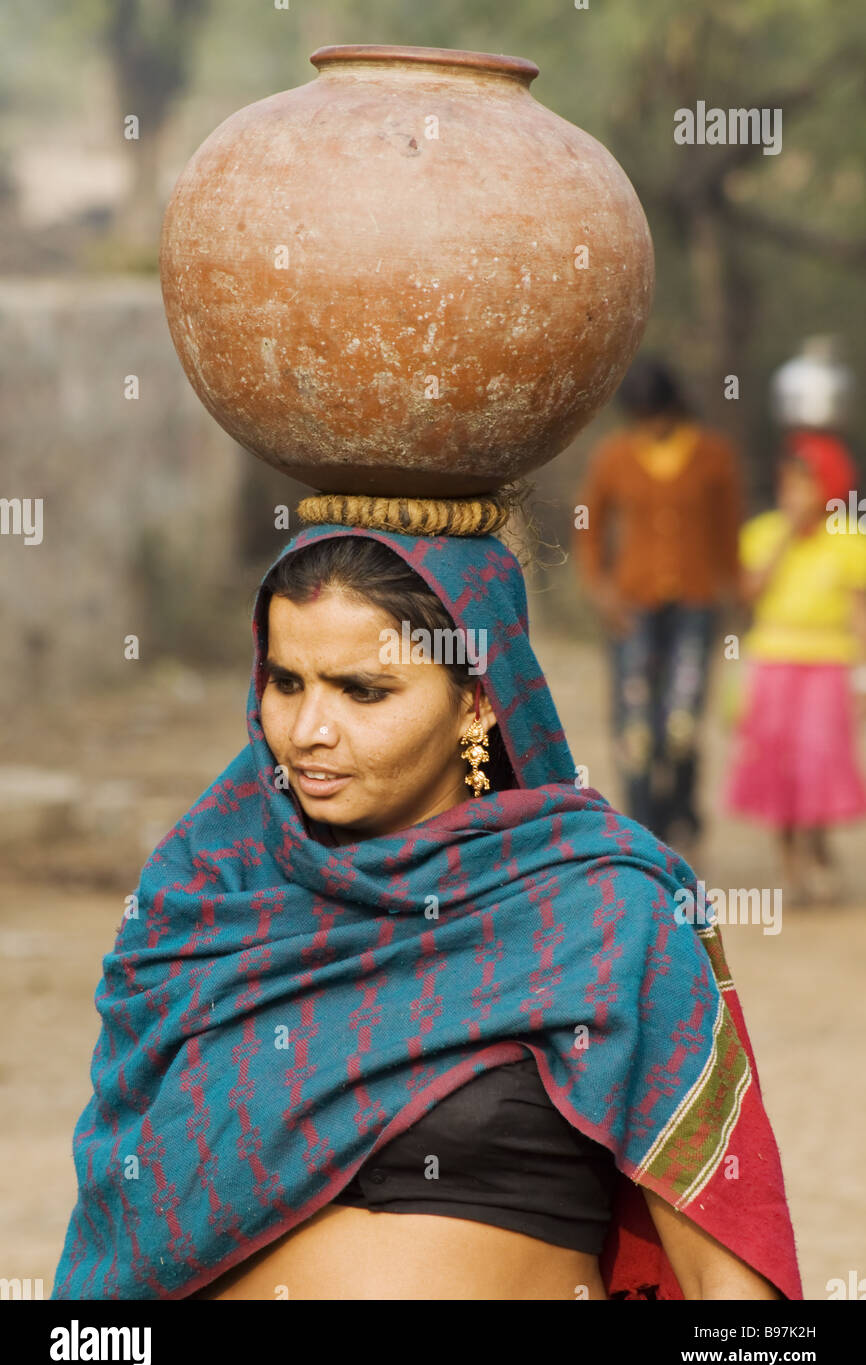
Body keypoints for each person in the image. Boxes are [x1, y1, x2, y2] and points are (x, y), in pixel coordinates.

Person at [52, 501, 800, 1301]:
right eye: (284, 682)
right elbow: (127, 1227)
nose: (307, 730)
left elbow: (727, 1280)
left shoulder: (600, 910)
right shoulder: (207, 892)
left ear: (477, 700)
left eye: (363, 692)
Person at [575, 357, 743, 849]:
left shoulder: (712, 455)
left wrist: (734, 589)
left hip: (694, 601)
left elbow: (728, 530)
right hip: (633, 603)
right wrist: (597, 586)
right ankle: (644, 827)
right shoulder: (615, 457)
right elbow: (588, 522)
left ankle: (683, 809)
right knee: (636, 723)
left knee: (682, 719)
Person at [724, 430, 866, 904]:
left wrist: (860, 678)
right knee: (778, 764)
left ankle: (818, 846)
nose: (795, 495)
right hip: (774, 663)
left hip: (827, 665)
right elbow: (747, 594)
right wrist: (785, 535)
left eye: (805, 485)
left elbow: (859, 615)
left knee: (819, 760)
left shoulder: (848, 539)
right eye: (788, 485)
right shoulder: (763, 533)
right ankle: (790, 865)